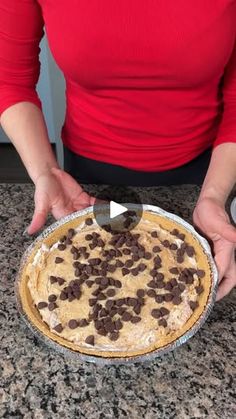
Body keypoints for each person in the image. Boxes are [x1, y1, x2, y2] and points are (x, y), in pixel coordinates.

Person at [0, 1, 235, 301]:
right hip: (84, 185)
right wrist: (46, 171)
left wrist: (214, 195)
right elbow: (11, 80)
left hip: (209, 174)